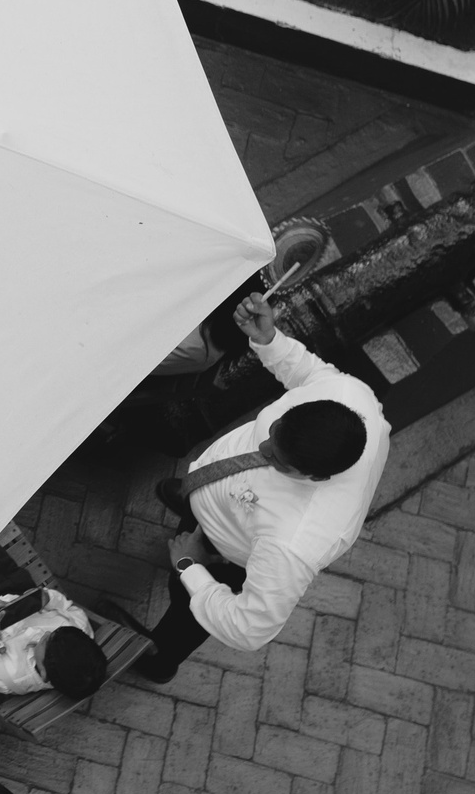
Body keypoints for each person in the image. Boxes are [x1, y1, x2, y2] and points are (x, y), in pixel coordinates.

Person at [132, 290, 392, 682]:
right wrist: (270, 340)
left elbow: (248, 627)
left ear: (316, 478)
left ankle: (160, 658)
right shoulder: (347, 396)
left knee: (183, 611)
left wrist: (190, 566)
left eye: (274, 459)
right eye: (270, 434)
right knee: (191, 504)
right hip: (218, 502)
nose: (262, 448)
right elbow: (310, 374)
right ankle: (191, 497)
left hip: (222, 558)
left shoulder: (292, 545)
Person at [0, 588, 111, 700]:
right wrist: (48, 598)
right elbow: (66, 607)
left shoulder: (9, 676)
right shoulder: (79, 630)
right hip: (18, 591)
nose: (47, 633)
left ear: (43, 672)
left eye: (45, 641)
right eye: (55, 631)